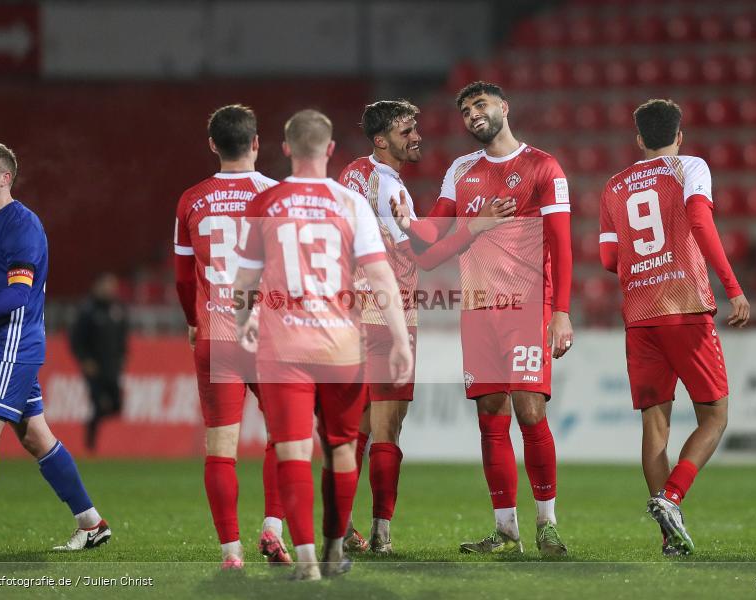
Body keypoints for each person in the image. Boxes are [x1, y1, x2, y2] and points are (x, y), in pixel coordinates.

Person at [233, 109, 413, 581]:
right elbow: (381, 278)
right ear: (330, 150)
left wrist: (244, 320)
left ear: (286, 149)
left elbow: (244, 282)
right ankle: (334, 550)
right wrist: (399, 338)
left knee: (293, 451)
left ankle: (308, 560)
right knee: (341, 450)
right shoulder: (350, 203)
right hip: (341, 347)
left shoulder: (266, 201)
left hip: (284, 348)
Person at [395, 81, 574, 557]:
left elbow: (561, 244)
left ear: (504, 107)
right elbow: (432, 235)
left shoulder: (543, 167)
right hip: (477, 309)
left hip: (527, 306)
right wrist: (405, 220)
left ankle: (548, 525)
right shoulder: (460, 170)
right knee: (490, 418)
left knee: (530, 411)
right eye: (465, 110)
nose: (473, 114)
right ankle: (506, 531)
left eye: (480, 104)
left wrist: (560, 312)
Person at [338, 100, 515, 553]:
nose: (417, 137)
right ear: (381, 140)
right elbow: (427, 256)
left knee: (356, 427)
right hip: (388, 315)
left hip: (349, 311)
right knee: (388, 428)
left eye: (415, 128)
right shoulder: (388, 186)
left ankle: (339, 526)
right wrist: (475, 227)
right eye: (406, 131)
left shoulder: (352, 174)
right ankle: (380, 534)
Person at [0, 142, 110, 552]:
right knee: (36, 438)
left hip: (12, 344)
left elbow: (18, 295)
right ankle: (92, 523)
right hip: (3, 343)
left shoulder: (22, 225)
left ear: (5, 178)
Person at [598, 99, 751, 555]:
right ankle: (672, 497)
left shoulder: (613, 185)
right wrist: (733, 288)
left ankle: (670, 538)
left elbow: (608, 258)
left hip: (639, 316)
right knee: (715, 417)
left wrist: (644, 264)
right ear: (679, 136)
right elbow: (700, 220)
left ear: (639, 139)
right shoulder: (689, 167)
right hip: (685, 308)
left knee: (655, 427)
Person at [173, 104, 291, 569]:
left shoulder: (191, 200)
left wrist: (193, 319)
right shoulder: (278, 196)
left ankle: (231, 553)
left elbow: (183, 277)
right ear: (256, 142)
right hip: (269, 335)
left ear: (212, 145)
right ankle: (273, 529)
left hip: (217, 335)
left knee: (220, 449)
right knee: (285, 436)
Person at [69, 272, 128, 452]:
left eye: (112, 286)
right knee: (98, 403)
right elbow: (76, 339)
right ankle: (91, 444)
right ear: (97, 287)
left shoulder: (117, 309)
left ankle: (92, 424)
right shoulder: (88, 310)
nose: (110, 289)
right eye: (106, 285)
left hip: (112, 367)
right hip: (94, 368)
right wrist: (84, 359)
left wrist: (123, 355)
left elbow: (122, 336)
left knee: (117, 405)